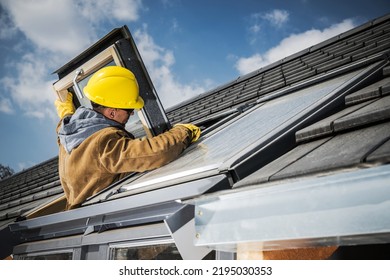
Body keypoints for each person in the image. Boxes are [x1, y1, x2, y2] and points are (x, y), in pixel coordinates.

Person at [55, 66, 200, 210]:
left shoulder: (68, 131)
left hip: (79, 216)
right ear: (112, 113)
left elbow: (65, 118)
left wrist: (67, 111)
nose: (131, 114)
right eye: (129, 110)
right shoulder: (104, 142)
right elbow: (155, 152)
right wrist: (183, 131)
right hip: (99, 217)